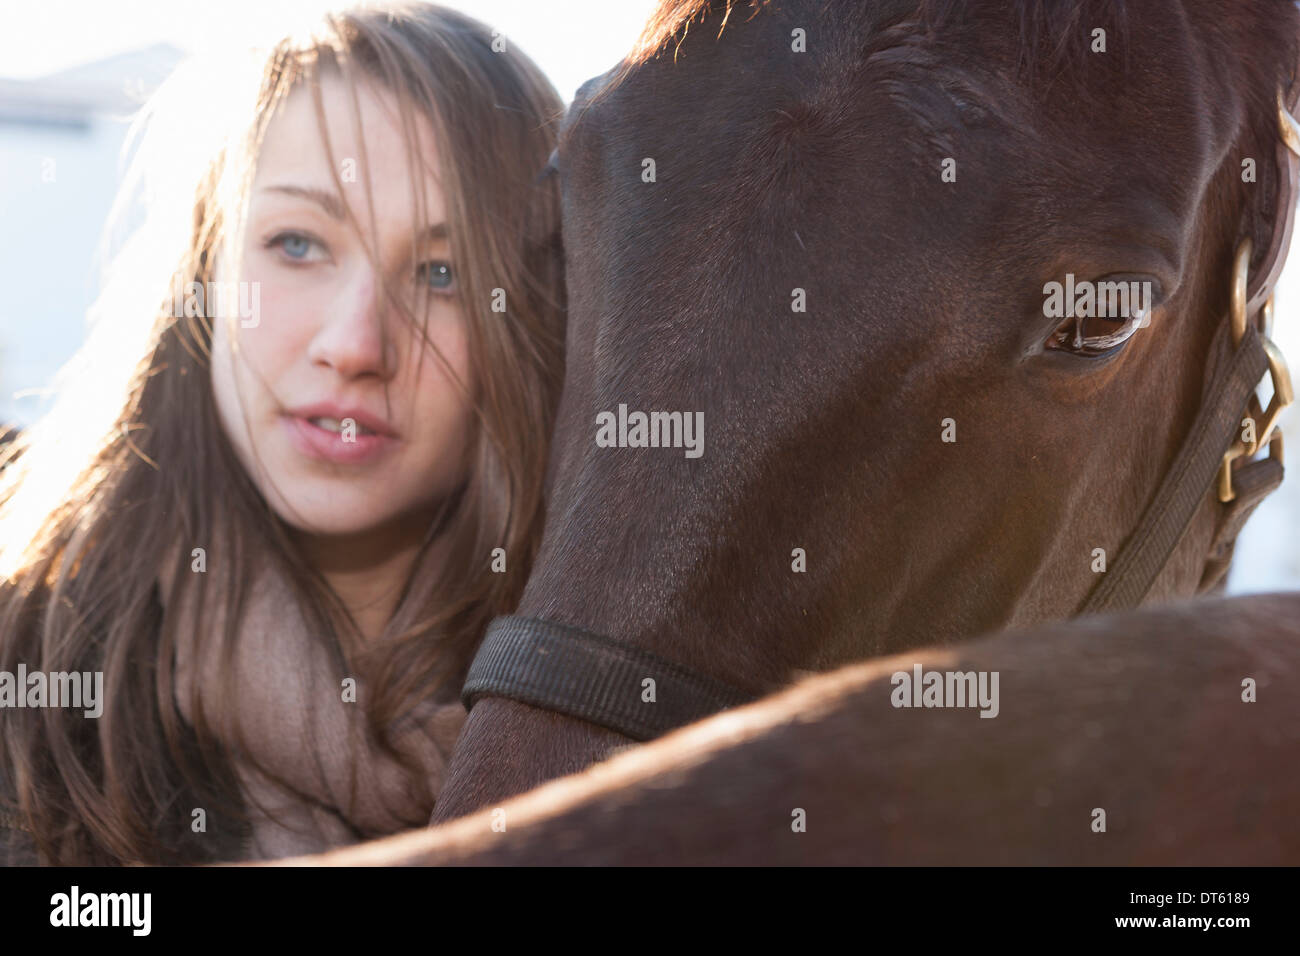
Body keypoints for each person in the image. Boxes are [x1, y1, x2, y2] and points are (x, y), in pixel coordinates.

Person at [0, 2, 566, 864]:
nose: (353, 345)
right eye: (298, 244)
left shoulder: (625, 725)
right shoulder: (25, 669)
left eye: (444, 274)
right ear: (205, 273)